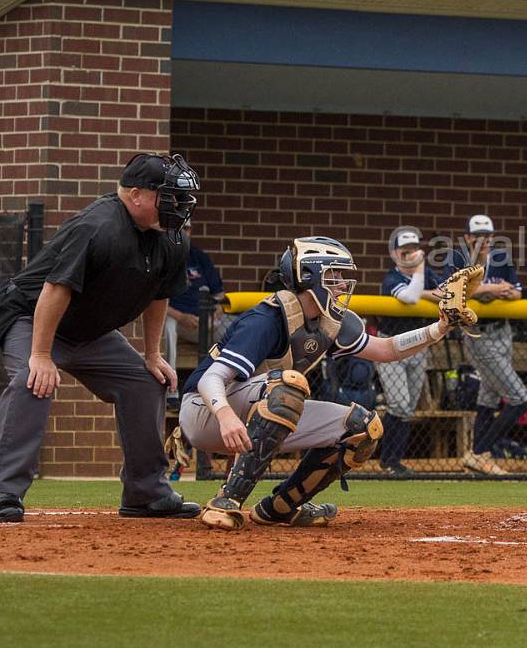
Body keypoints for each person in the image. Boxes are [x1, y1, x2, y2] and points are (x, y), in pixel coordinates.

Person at [0, 152, 203, 523]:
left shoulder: (172, 239)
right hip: (32, 318)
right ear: (136, 194)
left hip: (90, 332)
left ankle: (146, 494)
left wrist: (152, 355)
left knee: (144, 382)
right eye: (168, 196)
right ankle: (3, 493)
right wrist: (40, 355)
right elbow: (55, 290)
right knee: (33, 381)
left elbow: (159, 295)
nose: (178, 206)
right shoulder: (98, 226)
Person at [179, 236, 455, 529]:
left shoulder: (329, 321)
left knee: (362, 427)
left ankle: (280, 507)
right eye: (332, 276)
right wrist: (225, 417)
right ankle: (226, 501)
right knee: (289, 387)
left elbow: (385, 349)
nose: (340, 284)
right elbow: (211, 378)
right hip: (205, 411)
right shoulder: (267, 318)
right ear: (308, 277)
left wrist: (440, 328)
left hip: (254, 405)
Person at [452, 214, 527, 476]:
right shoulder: (457, 258)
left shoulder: (501, 257)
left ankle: (478, 456)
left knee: (490, 395)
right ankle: (479, 451)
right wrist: (493, 290)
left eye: (488, 235)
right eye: (478, 236)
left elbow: (518, 291)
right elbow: (456, 291)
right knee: (520, 397)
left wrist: (504, 291)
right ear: (467, 237)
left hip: (502, 332)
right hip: (478, 334)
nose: (484, 240)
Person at [375, 226, 445, 477]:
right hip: (389, 346)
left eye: (414, 250)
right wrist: (420, 273)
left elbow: (446, 295)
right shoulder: (391, 278)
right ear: (395, 254)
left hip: (418, 346)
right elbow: (411, 297)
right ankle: (381, 456)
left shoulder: (428, 276)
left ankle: (392, 462)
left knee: (408, 407)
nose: (411, 255)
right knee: (399, 404)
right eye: (405, 252)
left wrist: (426, 287)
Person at [162, 224, 226, 377]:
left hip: (207, 321)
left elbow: (219, 294)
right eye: (178, 228)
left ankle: (224, 382)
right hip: (178, 321)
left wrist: (215, 311)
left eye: (186, 228)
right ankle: (171, 386)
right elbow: (154, 301)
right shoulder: (163, 257)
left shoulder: (198, 256)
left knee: (238, 329)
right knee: (168, 326)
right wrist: (181, 317)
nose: (183, 232)